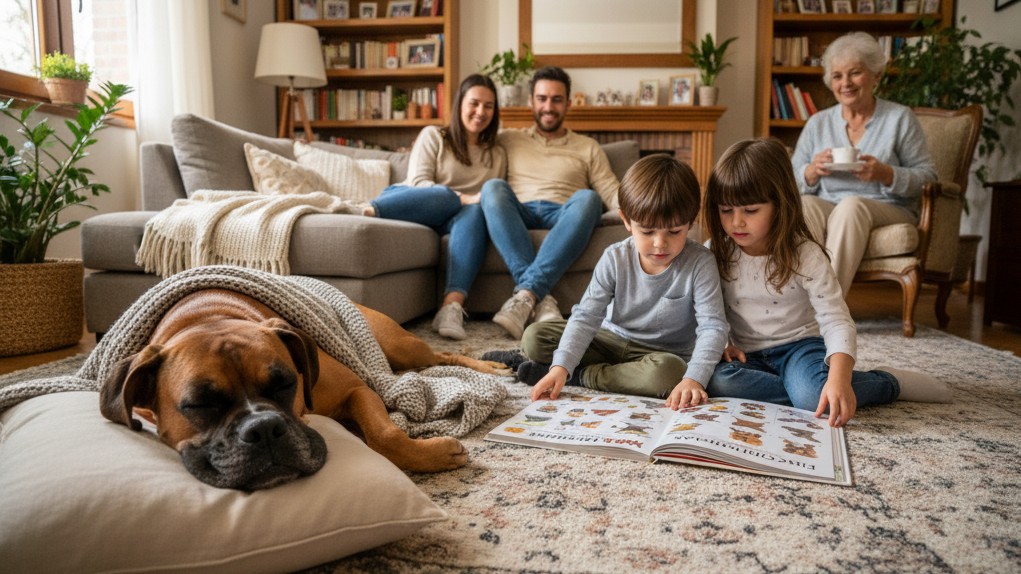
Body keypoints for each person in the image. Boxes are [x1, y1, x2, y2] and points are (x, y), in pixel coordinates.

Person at [703, 138, 951, 428]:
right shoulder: (715, 251)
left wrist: (839, 378)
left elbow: (837, 321)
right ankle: (807, 388)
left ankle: (887, 382)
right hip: (748, 355)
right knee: (717, 381)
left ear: (780, 203)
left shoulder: (805, 254)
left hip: (800, 347)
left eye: (750, 211)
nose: (736, 223)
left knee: (812, 398)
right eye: (726, 211)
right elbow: (707, 313)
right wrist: (722, 344)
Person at [508, 154, 728, 410]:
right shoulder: (615, 257)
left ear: (691, 222)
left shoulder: (700, 262)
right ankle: (565, 369)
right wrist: (560, 366)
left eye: (674, 231)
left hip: (659, 356)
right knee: (534, 337)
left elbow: (713, 327)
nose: (660, 243)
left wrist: (694, 379)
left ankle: (583, 376)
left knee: (670, 375)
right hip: (609, 339)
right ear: (626, 220)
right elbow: (587, 316)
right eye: (647, 231)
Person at [355, 74, 507, 340]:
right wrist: (462, 196)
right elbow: (418, 183)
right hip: (415, 205)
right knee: (448, 197)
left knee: (473, 212)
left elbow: (489, 199)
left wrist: (468, 203)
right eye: (474, 103)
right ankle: (361, 209)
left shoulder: (497, 154)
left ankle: (451, 307)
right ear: (460, 104)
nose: (480, 112)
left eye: (488, 106)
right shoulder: (434, 135)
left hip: (458, 220)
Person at [791, 31, 936, 296]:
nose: (845, 83)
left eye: (855, 72)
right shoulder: (818, 123)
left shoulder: (899, 118)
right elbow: (790, 179)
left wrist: (886, 174)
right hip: (828, 201)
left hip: (888, 207)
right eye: (837, 76)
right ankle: (798, 301)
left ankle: (828, 306)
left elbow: (928, 177)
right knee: (805, 204)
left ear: (876, 76)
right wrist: (811, 172)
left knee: (851, 206)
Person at [480, 66, 620, 339]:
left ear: (568, 104)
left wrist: (635, 208)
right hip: (520, 212)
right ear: (531, 101)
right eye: (542, 98)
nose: (548, 106)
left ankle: (526, 295)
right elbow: (471, 151)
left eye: (556, 100)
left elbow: (608, 188)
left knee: (589, 198)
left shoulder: (587, 146)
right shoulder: (508, 139)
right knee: (493, 188)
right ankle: (538, 297)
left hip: (566, 214)